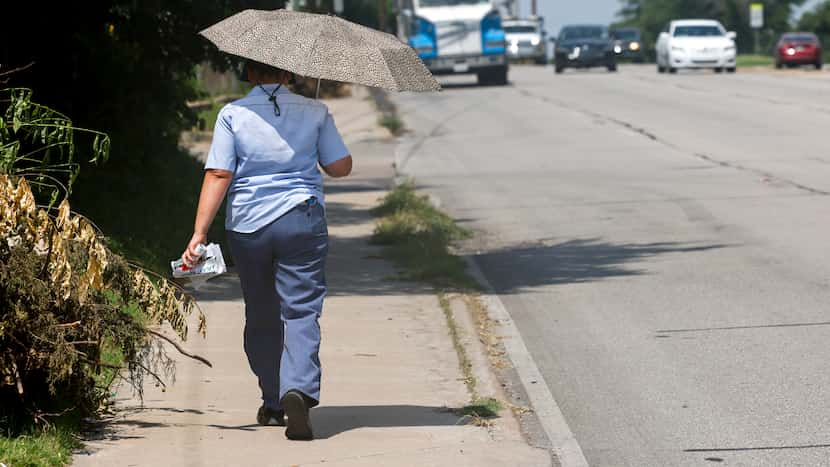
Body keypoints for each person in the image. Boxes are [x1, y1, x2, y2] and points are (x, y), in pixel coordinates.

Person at [181, 60, 352, 441]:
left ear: (252, 74)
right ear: (289, 74)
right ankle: (299, 389)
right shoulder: (316, 111)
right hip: (301, 221)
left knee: (261, 311)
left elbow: (219, 173)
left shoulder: (233, 114)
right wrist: (314, 132)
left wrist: (199, 233)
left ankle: (273, 400)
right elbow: (340, 167)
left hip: (247, 225)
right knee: (301, 309)